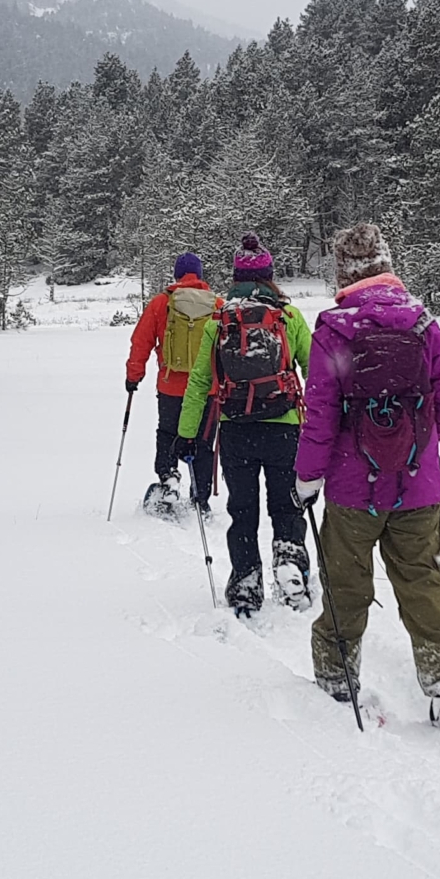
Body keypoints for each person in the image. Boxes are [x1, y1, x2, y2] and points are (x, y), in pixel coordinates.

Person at [294, 223, 440, 735]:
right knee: (422, 579)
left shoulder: (333, 331)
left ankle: (336, 676)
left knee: (346, 583)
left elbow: (320, 416)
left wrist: (308, 476)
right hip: (419, 489)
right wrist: (415, 446)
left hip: (353, 493)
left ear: (343, 271)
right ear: (387, 263)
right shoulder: (424, 326)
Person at [177, 235, 313, 617]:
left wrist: (186, 434)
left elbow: (201, 382)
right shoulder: (288, 316)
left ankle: (245, 583)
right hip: (284, 426)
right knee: (287, 507)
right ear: (270, 276)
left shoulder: (219, 321)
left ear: (235, 277)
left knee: (243, 509)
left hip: (235, 429)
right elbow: (316, 372)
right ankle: (290, 564)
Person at [125, 251, 217, 517]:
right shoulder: (217, 304)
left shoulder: (161, 303)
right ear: (200, 275)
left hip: (171, 386)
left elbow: (140, 342)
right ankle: (201, 497)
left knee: (167, 433)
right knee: (203, 440)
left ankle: (168, 479)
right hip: (207, 389)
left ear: (176, 275)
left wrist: (134, 375)